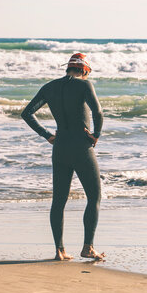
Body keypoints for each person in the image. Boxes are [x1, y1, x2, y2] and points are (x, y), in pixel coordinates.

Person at [21, 53, 105, 261]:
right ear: (85, 70)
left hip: (59, 148)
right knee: (94, 197)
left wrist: (47, 135)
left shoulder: (49, 87)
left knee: (59, 200)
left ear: (68, 68)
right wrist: (96, 135)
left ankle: (59, 250)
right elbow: (98, 113)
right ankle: (88, 248)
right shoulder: (85, 86)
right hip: (81, 148)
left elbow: (27, 113)